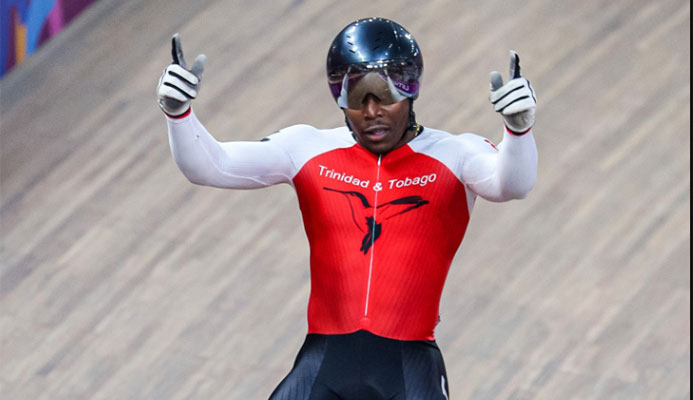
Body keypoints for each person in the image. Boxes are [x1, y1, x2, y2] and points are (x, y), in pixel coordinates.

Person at [156, 17, 537, 400]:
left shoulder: (456, 153)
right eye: (356, 97)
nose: (371, 111)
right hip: (324, 362)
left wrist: (518, 133)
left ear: (411, 89)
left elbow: (512, 185)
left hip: (407, 366)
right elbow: (211, 166)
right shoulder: (306, 147)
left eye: (384, 95)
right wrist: (178, 114)